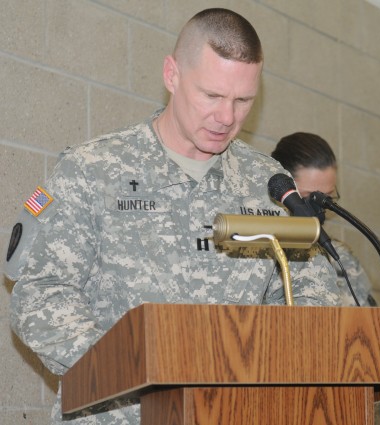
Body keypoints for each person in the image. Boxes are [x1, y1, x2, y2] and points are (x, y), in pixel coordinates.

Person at [6, 9, 340, 425]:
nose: (226, 117)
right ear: (171, 75)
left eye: (243, 101)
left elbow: (313, 296)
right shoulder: (92, 169)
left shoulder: (267, 183)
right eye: (212, 96)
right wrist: (135, 371)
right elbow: (41, 292)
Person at [272, 132, 377, 307]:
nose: (318, 209)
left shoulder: (341, 257)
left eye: (326, 198)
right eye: (307, 197)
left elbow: (372, 326)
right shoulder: (258, 255)